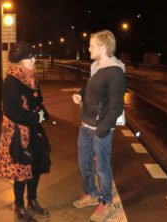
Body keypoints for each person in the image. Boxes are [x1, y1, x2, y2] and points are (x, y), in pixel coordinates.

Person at [72, 30, 126, 222]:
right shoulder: (96, 66)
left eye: (92, 45)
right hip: (85, 124)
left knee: (102, 168)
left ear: (103, 47)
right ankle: (91, 193)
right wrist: (80, 93)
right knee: (84, 163)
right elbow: (89, 88)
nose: (89, 49)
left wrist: (102, 130)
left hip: (100, 129)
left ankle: (105, 201)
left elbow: (116, 107)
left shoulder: (115, 72)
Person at [0, 41, 51, 222]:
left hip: (34, 130)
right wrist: (37, 117)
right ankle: (19, 206)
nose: (34, 60)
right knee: (22, 171)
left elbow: (38, 100)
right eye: (30, 57)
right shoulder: (12, 81)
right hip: (18, 134)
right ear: (20, 61)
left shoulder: (31, 77)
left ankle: (32, 200)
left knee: (36, 167)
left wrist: (43, 114)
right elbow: (12, 111)